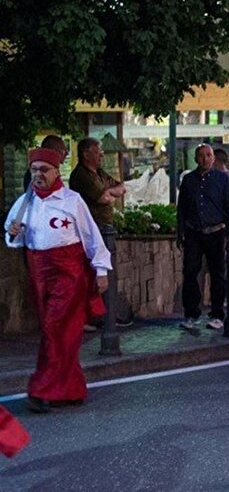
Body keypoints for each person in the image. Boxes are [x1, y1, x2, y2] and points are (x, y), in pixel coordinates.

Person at [5, 148, 112, 413]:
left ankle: (42, 389)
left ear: (56, 171)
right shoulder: (24, 203)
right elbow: (14, 240)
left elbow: (91, 236)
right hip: (39, 273)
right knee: (59, 333)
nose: (38, 174)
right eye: (34, 170)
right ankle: (70, 389)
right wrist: (13, 233)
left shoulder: (72, 200)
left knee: (55, 328)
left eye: (44, 169)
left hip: (69, 274)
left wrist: (101, 270)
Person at [176, 144, 229, 331]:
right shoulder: (188, 180)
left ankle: (218, 313)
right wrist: (180, 233)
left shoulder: (223, 180)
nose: (205, 159)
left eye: (208, 155)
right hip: (194, 231)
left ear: (213, 158)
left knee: (218, 274)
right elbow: (182, 209)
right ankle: (191, 313)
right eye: (201, 155)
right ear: (196, 158)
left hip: (216, 232)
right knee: (190, 272)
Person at [68, 137, 127, 329]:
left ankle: (104, 314)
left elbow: (121, 187)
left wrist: (111, 192)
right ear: (86, 154)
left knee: (105, 272)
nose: (101, 154)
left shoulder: (99, 172)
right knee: (93, 273)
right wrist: (109, 193)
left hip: (106, 227)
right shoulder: (81, 175)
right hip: (93, 228)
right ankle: (92, 316)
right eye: (97, 151)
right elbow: (103, 198)